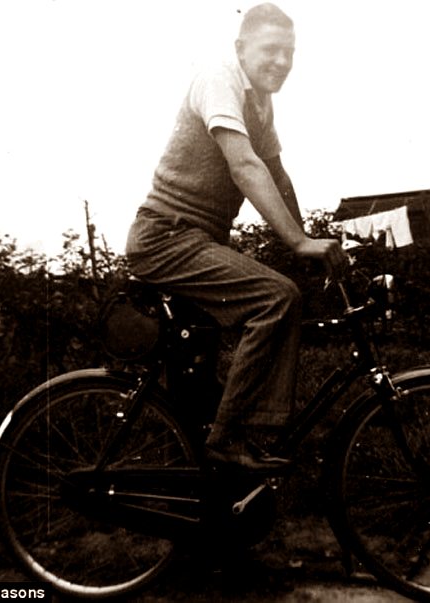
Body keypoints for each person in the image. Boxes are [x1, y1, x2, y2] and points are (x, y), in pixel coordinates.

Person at [125, 3, 346, 471]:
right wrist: (297, 243)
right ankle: (230, 439)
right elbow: (245, 165)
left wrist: (305, 241)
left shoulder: (260, 101)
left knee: (196, 380)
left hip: (196, 240)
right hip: (166, 237)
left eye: (290, 52)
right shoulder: (218, 78)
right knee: (275, 299)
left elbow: (277, 175)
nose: (282, 62)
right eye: (271, 50)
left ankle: (199, 472)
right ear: (241, 49)